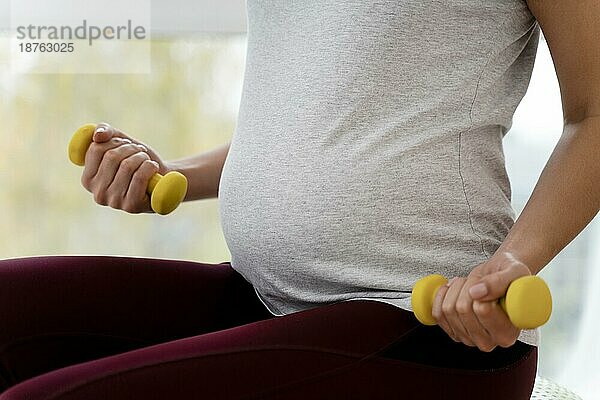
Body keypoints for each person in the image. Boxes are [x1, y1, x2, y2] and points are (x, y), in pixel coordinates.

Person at [1, 1, 598, 399]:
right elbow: (318, 118)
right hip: (268, 296)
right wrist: (172, 171)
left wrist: (515, 261)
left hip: (424, 324)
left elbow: (595, 113)